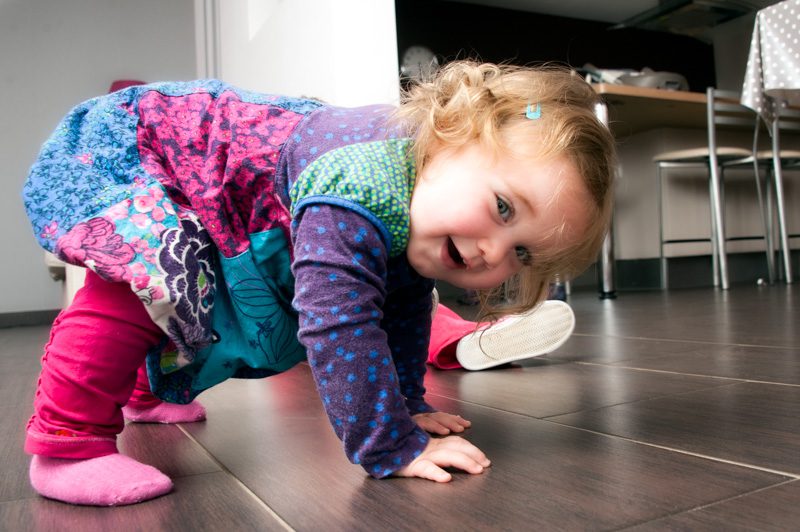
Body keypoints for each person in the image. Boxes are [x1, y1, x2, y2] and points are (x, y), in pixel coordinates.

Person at [21, 60, 616, 506]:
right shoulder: (357, 187)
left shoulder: (418, 208)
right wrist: (390, 445)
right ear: (450, 139)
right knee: (141, 284)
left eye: (524, 252)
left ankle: (142, 396)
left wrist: (406, 404)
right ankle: (65, 443)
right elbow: (340, 327)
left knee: (193, 296)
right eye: (504, 209)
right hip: (146, 146)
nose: (495, 251)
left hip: (213, 189)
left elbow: (400, 314)